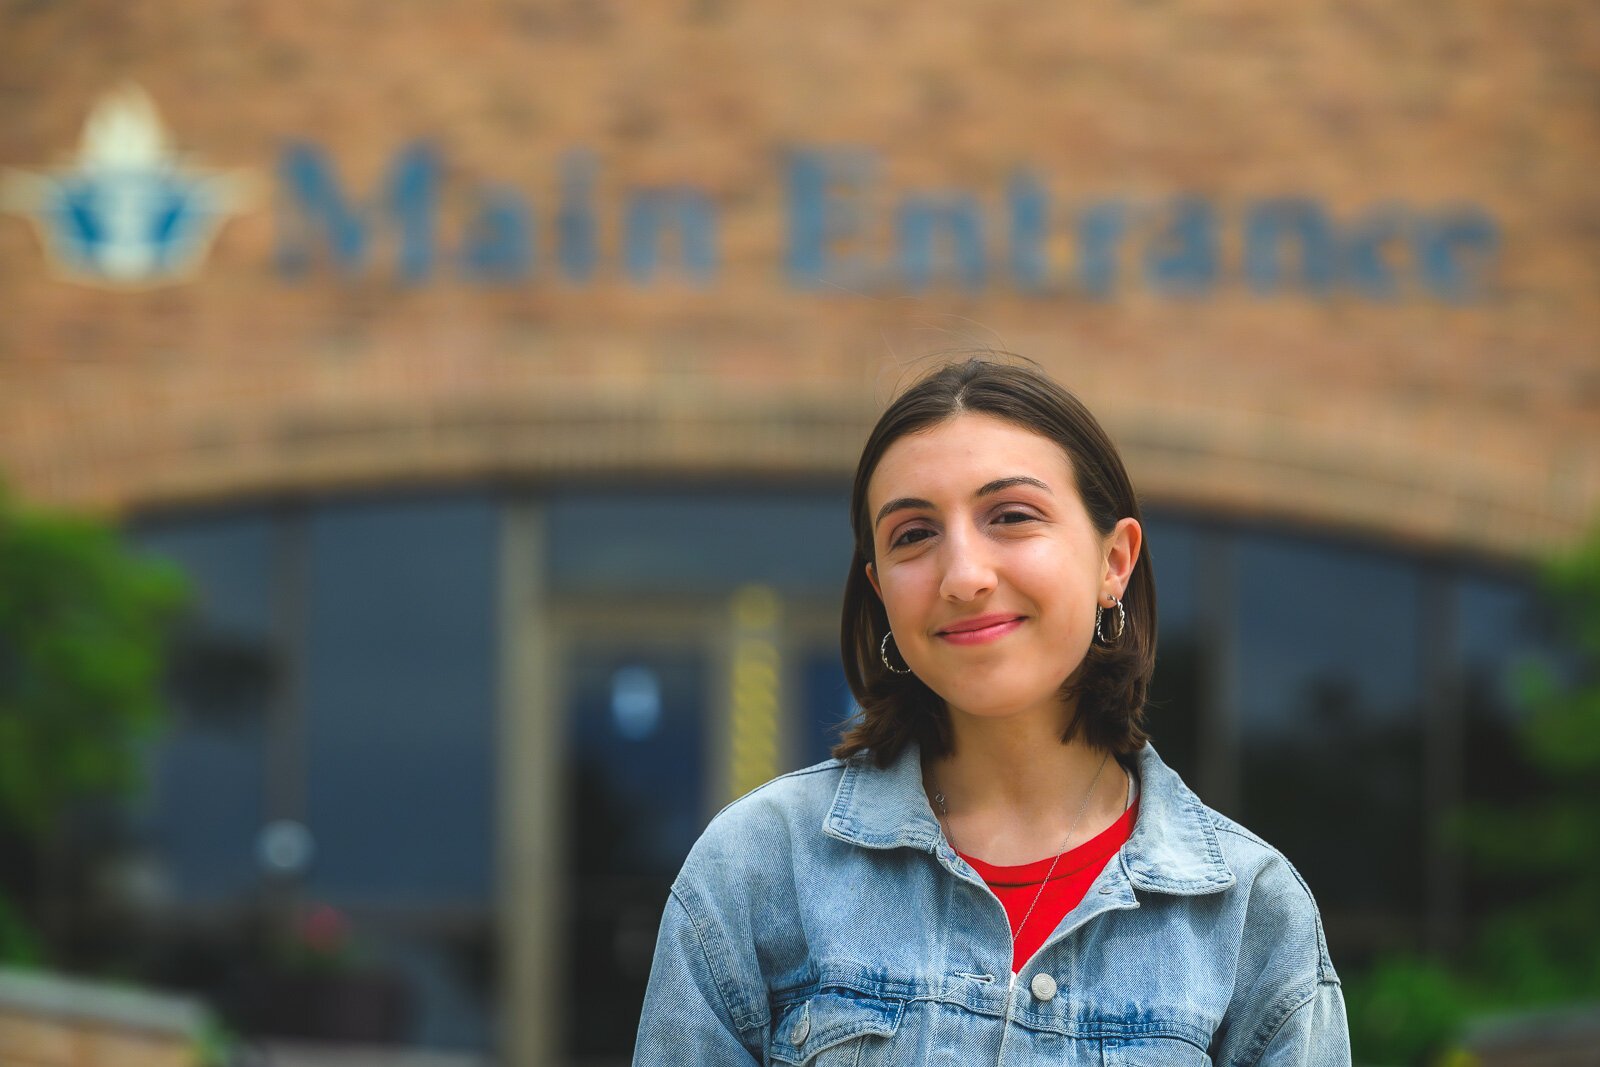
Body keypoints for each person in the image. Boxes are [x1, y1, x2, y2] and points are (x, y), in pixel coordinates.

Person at [634, 357, 1351, 1065]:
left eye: (1011, 516)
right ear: (880, 588)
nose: (964, 576)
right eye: (913, 533)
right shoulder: (760, 866)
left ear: (1115, 562)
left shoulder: (1252, 915)